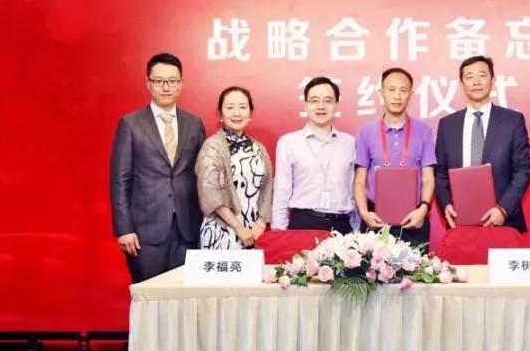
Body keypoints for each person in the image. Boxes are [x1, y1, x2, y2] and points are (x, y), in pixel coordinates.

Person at [110, 52, 206, 283]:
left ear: (181, 83)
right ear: (148, 82)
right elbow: (120, 181)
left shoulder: (194, 124)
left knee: (186, 298)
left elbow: (204, 177)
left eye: (172, 81)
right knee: (149, 297)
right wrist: (124, 229)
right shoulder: (131, 124)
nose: (166, 87)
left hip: (188, 229)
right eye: (159, 81)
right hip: (145, 233)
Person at [435, 55, 530, 232]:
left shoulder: (513, 121)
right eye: (469, 77)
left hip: (502, 223)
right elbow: (440, 172)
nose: (476, 82)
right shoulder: (447, 125)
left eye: (482, 75)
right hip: (460, 223)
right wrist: (446, 204)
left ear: (493, 80)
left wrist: (503, 209)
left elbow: (522, 170)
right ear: (462, 84)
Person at [354, 67, 437, 247]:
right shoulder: (366, 131)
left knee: (417, 266)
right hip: (374, 220)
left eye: (403, 90)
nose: (397, 96)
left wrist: (423, 210)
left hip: (414, 219)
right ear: (381, 93)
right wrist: (364, 213)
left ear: (411, 95)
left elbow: (428, 178)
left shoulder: (424, 131)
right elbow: (360, 180)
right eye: (391, 90)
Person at [272, 76, 357, 235]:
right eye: (314, 100)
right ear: (306, 105)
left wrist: (356, 231)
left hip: (342, 226)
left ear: (336, 105)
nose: (321, 106)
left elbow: (354, 190)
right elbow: (282, 191)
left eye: (328, 100)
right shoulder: (288, 142)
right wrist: (279, 232)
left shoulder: (350, 143)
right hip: (303, 224)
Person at [195, 86, 272, 249]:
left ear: (250, 113)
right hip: (220, 232)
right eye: (230, 107)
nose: (236, 113)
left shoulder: (259, 148)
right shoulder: (212, 146)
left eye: (242, 107)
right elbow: (210, 193)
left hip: (254, 234)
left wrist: (260, 224)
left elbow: (268, 188)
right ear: (221, 114)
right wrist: (238, 227)